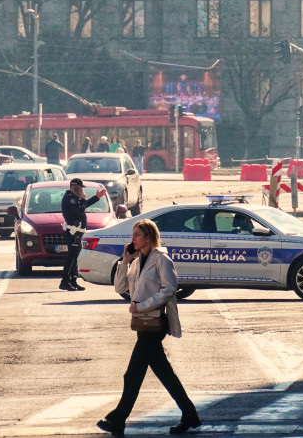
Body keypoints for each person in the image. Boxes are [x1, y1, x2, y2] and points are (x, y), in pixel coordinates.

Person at [97, 219, 200, 437]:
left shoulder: (162, 260)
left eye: (137, 235)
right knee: (165, 373)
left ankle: (118, 419)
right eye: (133, 235)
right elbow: (120, 287)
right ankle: (190, 414)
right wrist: (125, 261)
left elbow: (169, 289)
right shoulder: (136, 263)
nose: (133, 239)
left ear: (149, 237)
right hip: (142, 323)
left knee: (132, 374)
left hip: (156, 322)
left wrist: (142, 305)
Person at [60, 177, 106, 291]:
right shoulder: (69, 198)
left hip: (78, 231)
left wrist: (97, 197)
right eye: (79, 188)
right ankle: (65, 281)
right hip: (73, 232)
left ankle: (73, 280)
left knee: (76, 257)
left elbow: (84, 205)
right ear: (74, 187)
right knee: (72, 257)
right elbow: (79, 209)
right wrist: (83, 199)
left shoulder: (76, 198)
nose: (81, 190)